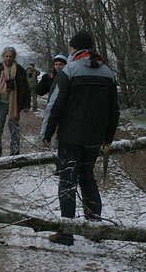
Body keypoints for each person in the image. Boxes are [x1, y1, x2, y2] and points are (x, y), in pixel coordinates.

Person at [41, 31, 120, 246]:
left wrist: (46, 134)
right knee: (87, 177)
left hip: (71, 136)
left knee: (67, 180)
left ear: (75, 49)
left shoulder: (69, 70)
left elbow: (55, 104)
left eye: (70, 48)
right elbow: (115, 110)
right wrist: (108, 137)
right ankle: (94, 228)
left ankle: (66, 231)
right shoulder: (107, 72)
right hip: (95, 138)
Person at [0, 46, 30, 159]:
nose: (8, 58)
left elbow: (26, 87)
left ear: (14, 57)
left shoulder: (20, 70)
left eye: (11, 56)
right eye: (6, 56)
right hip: (0, 103)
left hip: (14, 104)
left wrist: (26, 104)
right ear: (3, 56)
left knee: (14, 130)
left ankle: (15, 154)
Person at [37, 53, 68, 174]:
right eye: (56, 64)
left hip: (67, 113)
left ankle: (65, 164)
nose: (58, 67)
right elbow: (39, 91)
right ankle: (58, 166)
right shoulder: (51, 77)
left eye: (60, 64)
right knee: (55, 141)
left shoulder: (69, 77)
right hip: (54, 112)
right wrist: (44, 81)